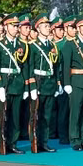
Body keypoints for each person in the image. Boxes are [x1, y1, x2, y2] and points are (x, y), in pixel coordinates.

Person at [62, 15, 83, 152]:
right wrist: (66, 83)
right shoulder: (70, 44)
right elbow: (65, 66)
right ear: (78, 28)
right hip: (76, 81)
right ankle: (75, 139)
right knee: (76, 112)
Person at [0, 15, 28, 154]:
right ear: (6, 27)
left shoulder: (22, 45)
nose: (15, 28)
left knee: (15, 116)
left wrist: (26, 86)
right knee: (3, 115)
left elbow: (25, 66)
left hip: (17, 82)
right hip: (5, 82)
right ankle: (1, 142)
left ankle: (13, 143)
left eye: (16, 26)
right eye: (13, 26)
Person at [28, 14, 58, 153]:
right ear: (38, 28)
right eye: (45, 26)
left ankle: (44, 142)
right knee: (36, 116)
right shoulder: (33, 46)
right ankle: (34, 141)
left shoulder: (52, 46)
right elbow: (29, 68)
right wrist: (33, 86)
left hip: (49, 84)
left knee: (47, 116)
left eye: (48, 26)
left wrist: (57, 84)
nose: (48, 28)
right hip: (39, 83)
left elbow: (55, 66)